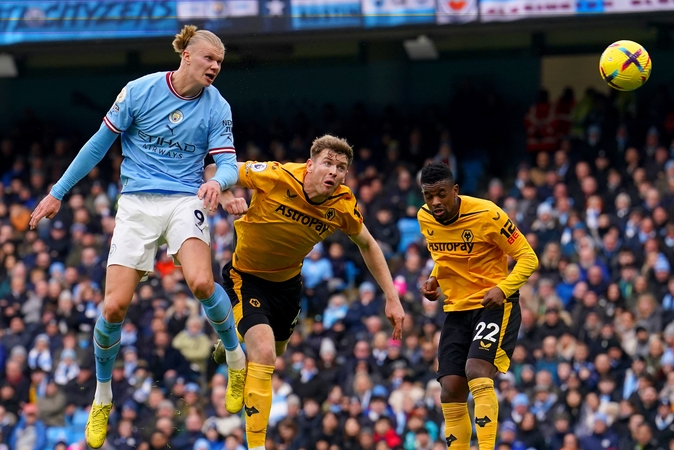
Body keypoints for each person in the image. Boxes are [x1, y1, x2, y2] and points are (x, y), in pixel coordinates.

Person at [28, 25, 247, 448]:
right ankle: (102, 396)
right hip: (135, 204)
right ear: (186, 55)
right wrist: (58, 192)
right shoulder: (139, 91)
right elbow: (98, 144)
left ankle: (235, 357)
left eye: (219, 63)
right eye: (208, 59)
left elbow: (228, 164)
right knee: (113, 308)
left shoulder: (217, 105)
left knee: (202, 282)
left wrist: (218, 182)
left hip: (186, 199)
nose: (215, 67)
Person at [207, 134, 405, 450]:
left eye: (341, 167)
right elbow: (214, 167)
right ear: (310, 164)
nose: (334, 172)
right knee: (265, 352)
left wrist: (392, 297)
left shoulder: (342, 204)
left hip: (287, 286)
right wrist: (227, 193)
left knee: (278, 351)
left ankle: (231, 341)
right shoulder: (275, 175)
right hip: (246, 276)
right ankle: (256, 445)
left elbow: (367, 243)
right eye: (328, 163)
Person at [417, 161, 538, 450]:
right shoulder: (425, 218)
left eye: (441, 194)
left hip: (493, 303)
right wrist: (434, 279)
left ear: (455, 190)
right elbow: (445, 256)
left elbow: (528, 257)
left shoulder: (488, 214)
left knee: (476, 371)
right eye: (428, 195)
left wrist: (503, 288)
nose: (435, 201)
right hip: (456, 309)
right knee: (449, 389)